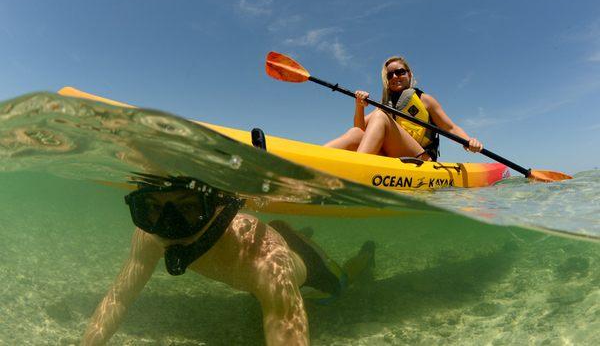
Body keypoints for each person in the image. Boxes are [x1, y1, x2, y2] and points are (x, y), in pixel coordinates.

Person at [82, 173, 375, 346]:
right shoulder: (150, 233)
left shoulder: (265, 258)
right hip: (266, 254)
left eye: (188, 209)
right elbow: (118, 298)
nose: (168, 226)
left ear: (219, 208)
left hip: (308, 269)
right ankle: (288, 230)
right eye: (151, 209)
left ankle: (365, 255)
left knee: (340, 284)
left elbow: (285, 320)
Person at [325, 56, 483, 161]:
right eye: (390, 75)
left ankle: (355, 169)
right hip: (396, 157)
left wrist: (468, 141)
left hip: (421, 159)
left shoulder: (425, 100)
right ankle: (311, 160)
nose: (395, 77)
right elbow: (359, 130)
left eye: (400, 72)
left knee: (380, 116)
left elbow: (450, 127)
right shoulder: (385, 106)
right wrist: (359, 106)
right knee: (355, 132)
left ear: (409, 74)